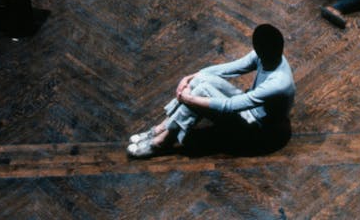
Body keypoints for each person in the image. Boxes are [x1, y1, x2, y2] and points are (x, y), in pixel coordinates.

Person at [126, 24, 295, 159]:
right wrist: (190, 77)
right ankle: (162, 128)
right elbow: (229, 69)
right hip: (248, 107)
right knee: (200, 81)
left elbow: (229, 106)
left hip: (258, 130)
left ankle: (161, 142)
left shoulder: (278, 83)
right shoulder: (264, 55)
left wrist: (189, 99)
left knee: (200, 92)